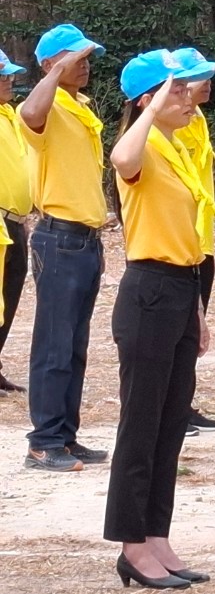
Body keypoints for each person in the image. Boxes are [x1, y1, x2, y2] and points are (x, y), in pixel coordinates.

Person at [105, 49, 215, 590]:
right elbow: (121, 158)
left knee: (171, 422)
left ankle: (156, 534)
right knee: (141, 422)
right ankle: (131, 544)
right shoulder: (143, 145)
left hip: (180, 286)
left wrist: (197, 309)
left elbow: (186, 237)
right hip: (148, 291)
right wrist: (148, 109)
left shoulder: (175, 148)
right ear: (148, 98)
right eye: (178, 89)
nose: (190, 97)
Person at [19, 23, 109, 473]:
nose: (84, 66)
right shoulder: (45, 105)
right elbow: (29, 113)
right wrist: (56, 72)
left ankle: (65, 436)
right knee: (54, 344)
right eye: (75, 58)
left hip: (86, 239)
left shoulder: (80, 107)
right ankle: (43, 441)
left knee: (74, 345)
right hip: (60, 238)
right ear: (48, 64)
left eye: (87, 59)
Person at [173, 47, 215, 434]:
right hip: (180, 242)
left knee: (192, 332)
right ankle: (173, 409)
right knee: (177, 332)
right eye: (199, 77)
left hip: (201, 242)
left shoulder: (197, 120)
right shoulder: (172, 126)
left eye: (209, 75)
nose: (207, 83)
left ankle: (183, 404)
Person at [0, 49, 31, 393]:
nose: (9, 80)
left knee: (9, 295)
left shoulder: (9, 114)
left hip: (15, 221)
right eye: (2, 75)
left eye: (9, 74)